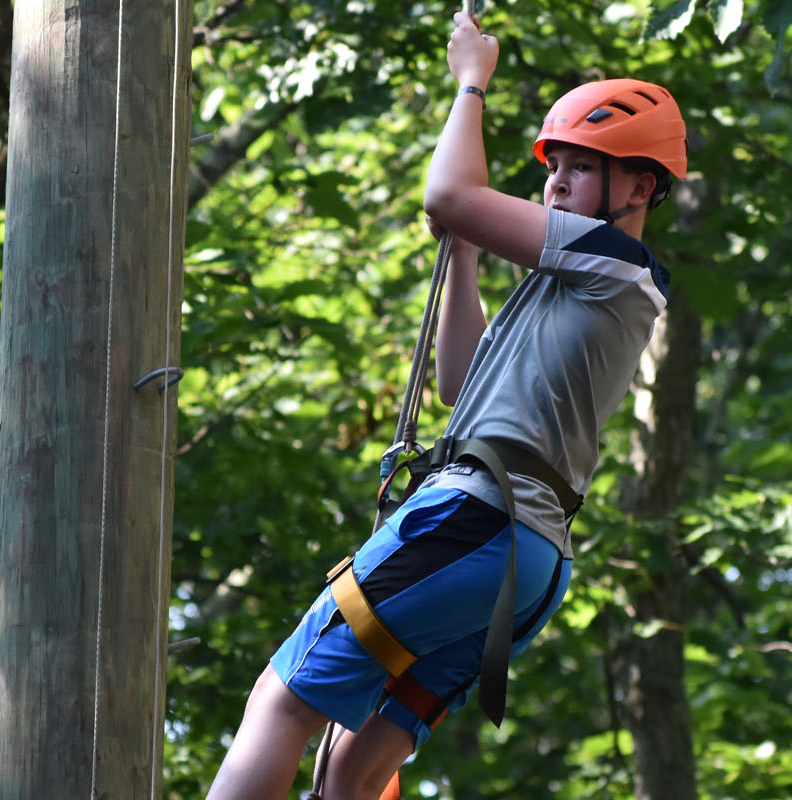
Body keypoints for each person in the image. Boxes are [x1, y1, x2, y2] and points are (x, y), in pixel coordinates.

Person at [204, 11, 684, 799]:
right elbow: (460, 387)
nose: (557, 181)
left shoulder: (618, 264)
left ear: (640, 187)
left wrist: (472, 80)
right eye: (552, 165)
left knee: (283, 695)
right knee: (348, 773)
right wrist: (461, 255)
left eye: (582, 165)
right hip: (520, 558)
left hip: (477, 525)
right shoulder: (568, 287)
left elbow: (452, 190)